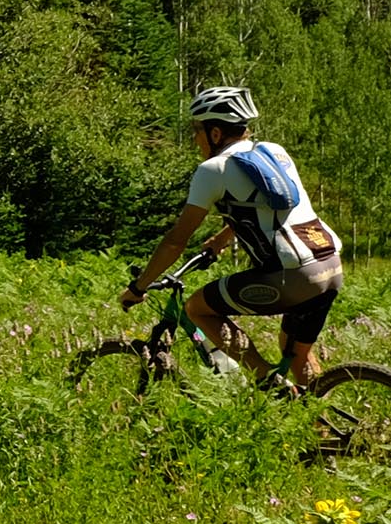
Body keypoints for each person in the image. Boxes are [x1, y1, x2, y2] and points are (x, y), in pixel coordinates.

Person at [118, 86, 342, 388]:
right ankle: (321, 425)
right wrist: (223, 238)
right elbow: (272, 209)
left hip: (293, 276)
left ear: (214, 133)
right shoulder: (274, 152)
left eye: (197, 129)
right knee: (298, 355)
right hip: (329, 264)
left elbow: (176, 240)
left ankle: (268, 382)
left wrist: (139, 286)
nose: (195, 138)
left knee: (197, 308)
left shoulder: (214, 169)